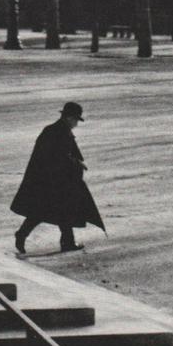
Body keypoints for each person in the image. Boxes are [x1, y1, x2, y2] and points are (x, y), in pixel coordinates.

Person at [11, 102, 105, 253]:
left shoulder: (57, 130)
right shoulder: (57, 132)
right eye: (76, 119)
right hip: (51, 180)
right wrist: (76, 163)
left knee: (56, 211)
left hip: (54, 179)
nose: (76, 123)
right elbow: (58, 156)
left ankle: (63, 242)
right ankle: (26, 235)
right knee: (50, 211)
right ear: (69, 118)